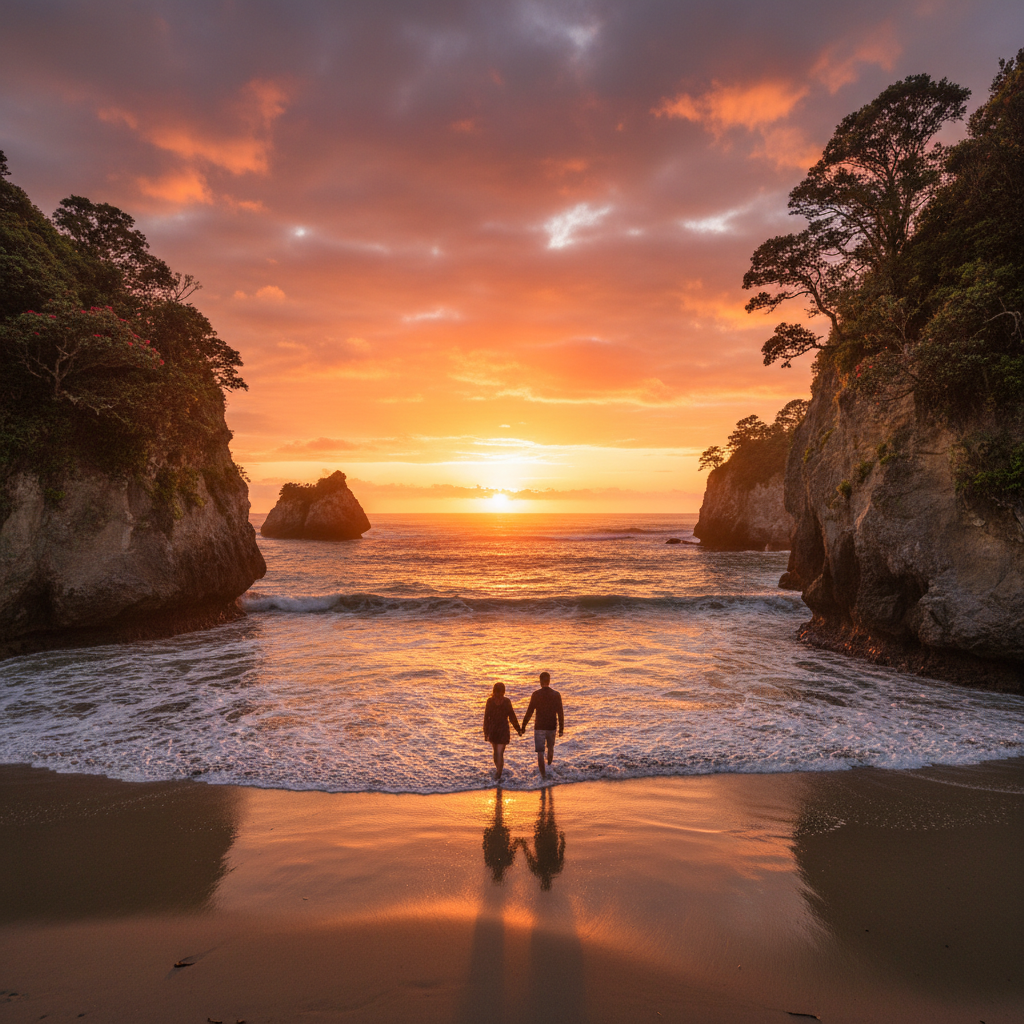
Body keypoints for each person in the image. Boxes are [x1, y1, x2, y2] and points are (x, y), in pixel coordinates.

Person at [520, 671, 564, 779]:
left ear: (540, 681)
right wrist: (561, 728)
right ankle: (549, 766)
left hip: (539, 726)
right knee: (550, 748)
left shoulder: (536, 694)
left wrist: (523, 726)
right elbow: (560, 712)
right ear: (549, 681)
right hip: (551, 726)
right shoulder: (556, 694)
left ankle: (543, 776)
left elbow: (530, 711)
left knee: (540, 752)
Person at [482, 683, 522, 781]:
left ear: (503, 692)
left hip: (503, 730)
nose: (499, 695)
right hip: (493, 730)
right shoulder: (490, 702)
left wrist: (518, 729)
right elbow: (486, 717)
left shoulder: (507, 701)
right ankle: (498, 770)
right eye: (498, 693)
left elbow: (512, 716)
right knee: (496, 753)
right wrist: (485, 732)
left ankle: (499, 773)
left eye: (501, 693)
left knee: (500, 753)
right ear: (494, 692)